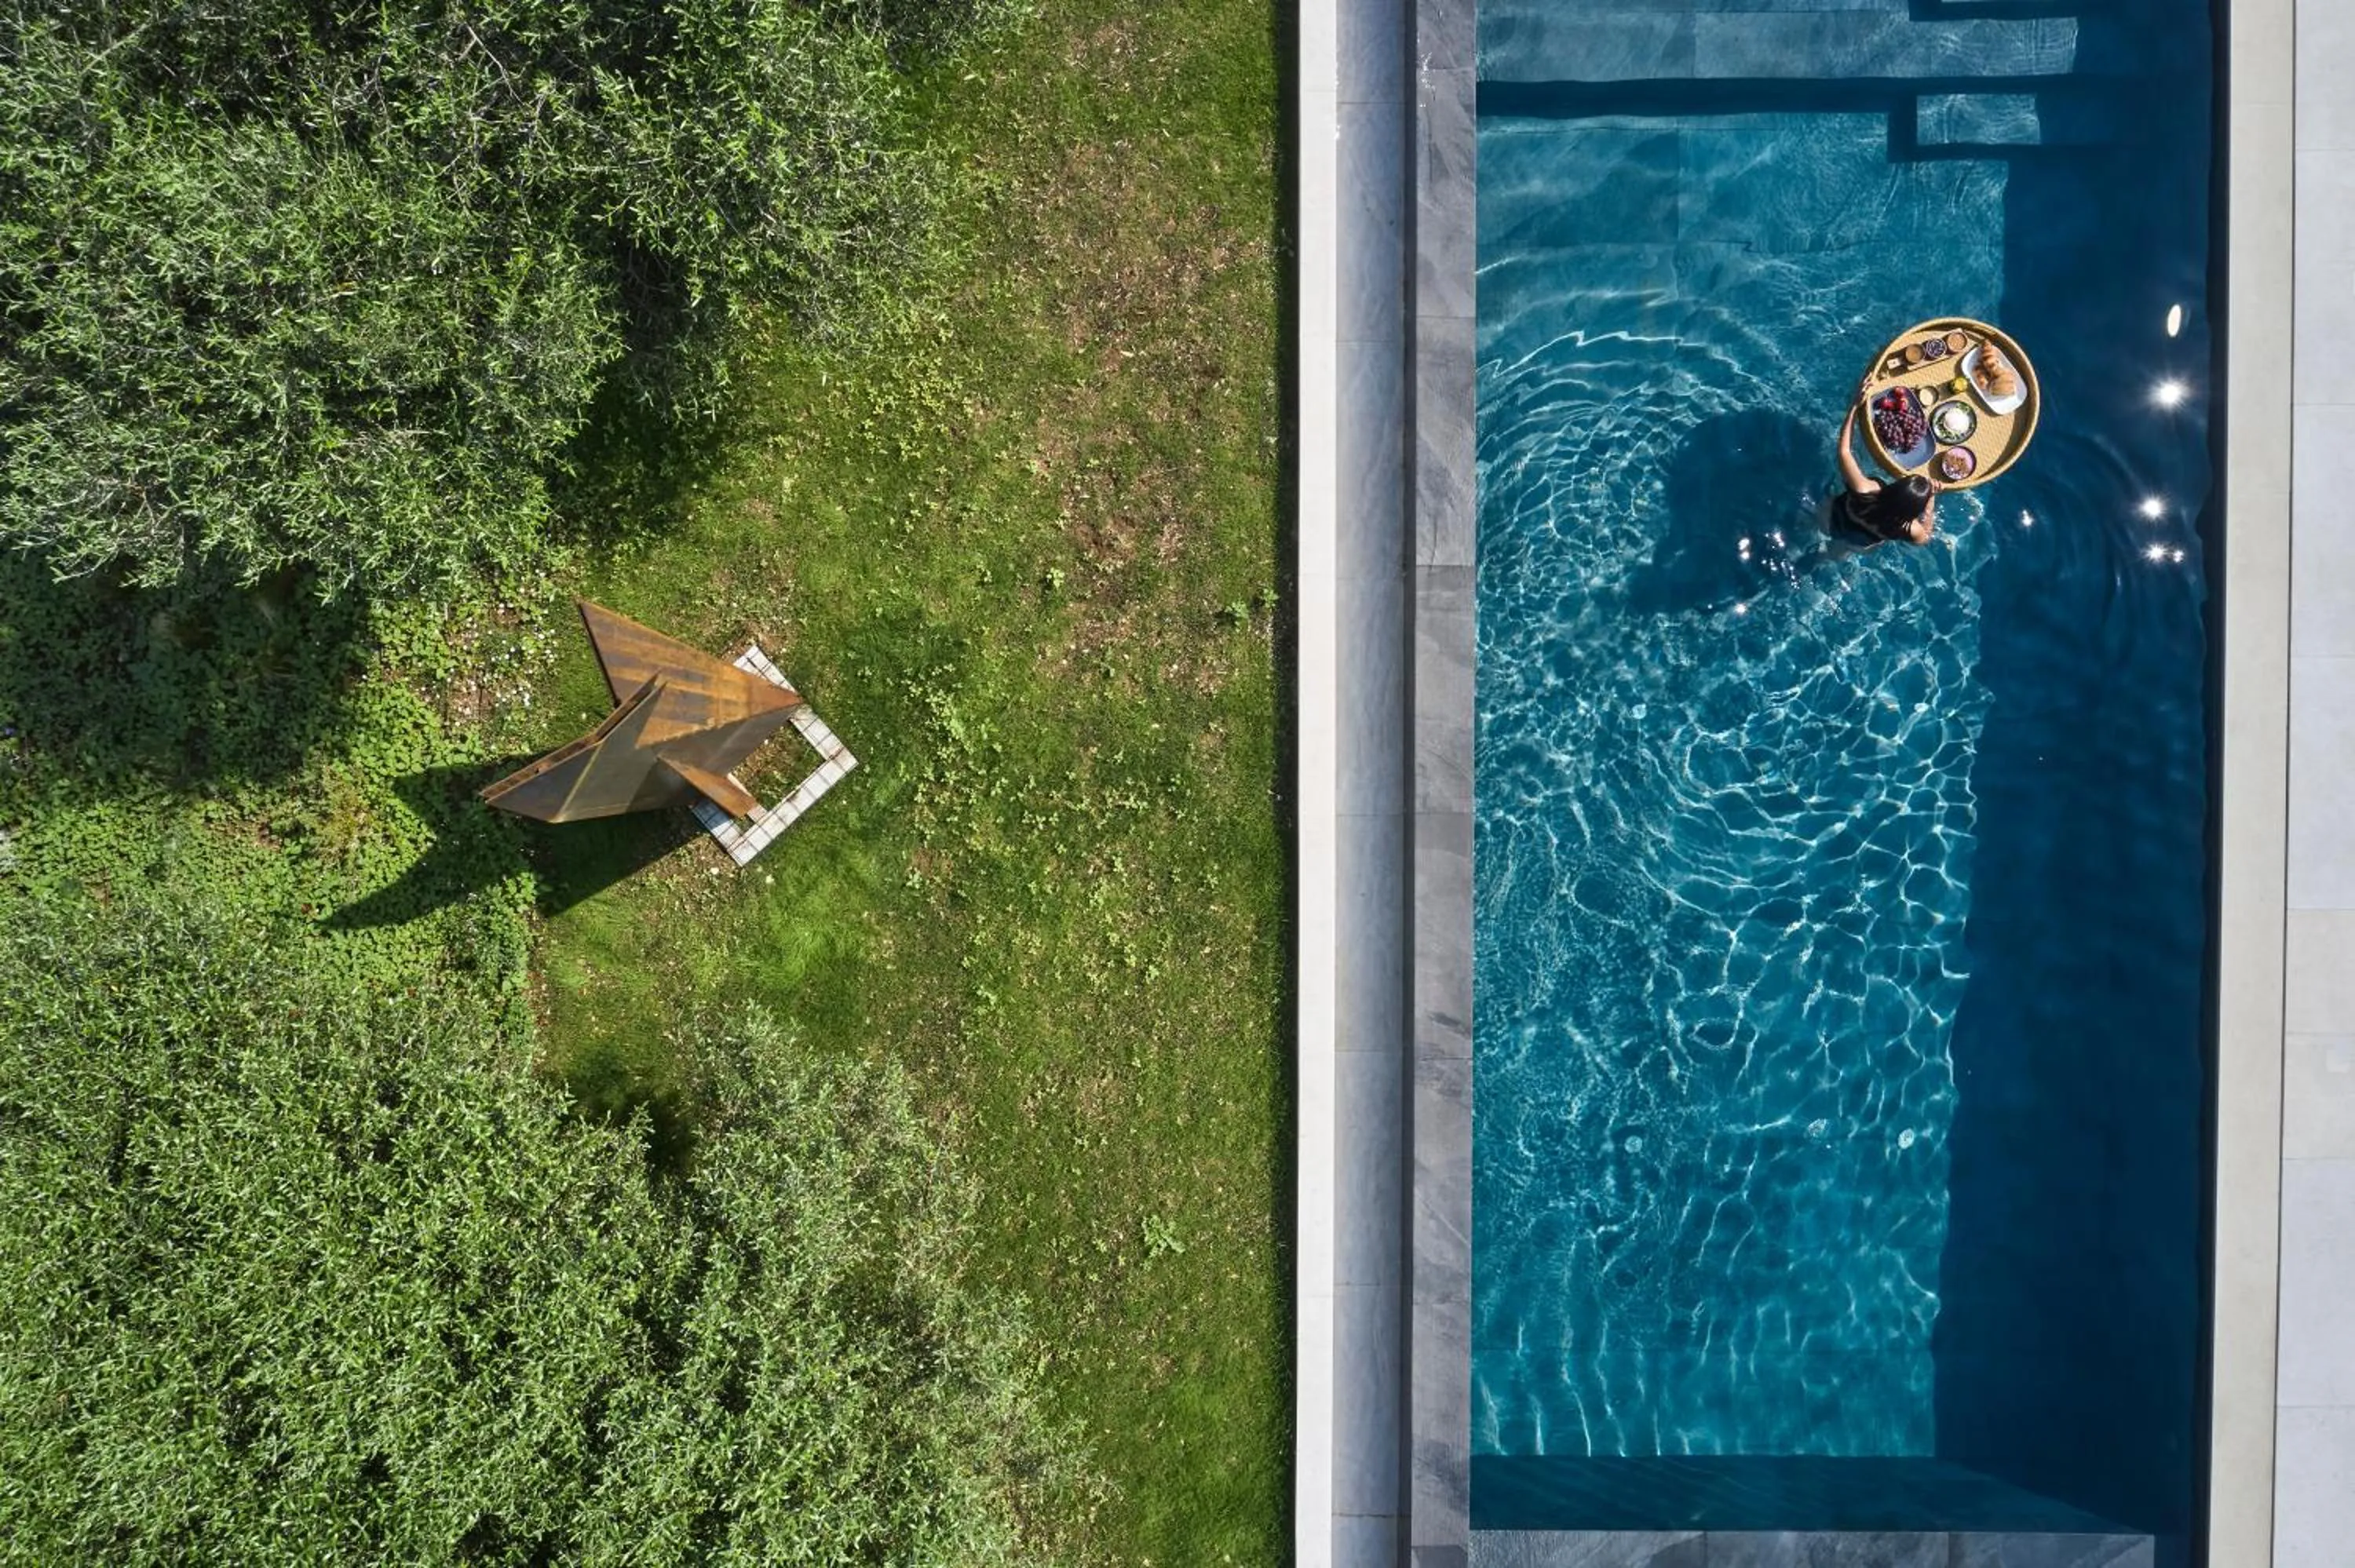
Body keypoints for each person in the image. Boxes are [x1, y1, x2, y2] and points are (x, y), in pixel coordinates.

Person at [1835, 390, 1939, 546]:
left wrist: (1854, 407)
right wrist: (1930, 501)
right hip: (1865, 541)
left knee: (1819, 525)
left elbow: (1844, 451)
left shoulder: (1864, 490)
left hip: (1836, 516)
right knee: (1842, 551)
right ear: (1914, 511)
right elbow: (1925, 538)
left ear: (1896, 487)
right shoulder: (1909, 528)